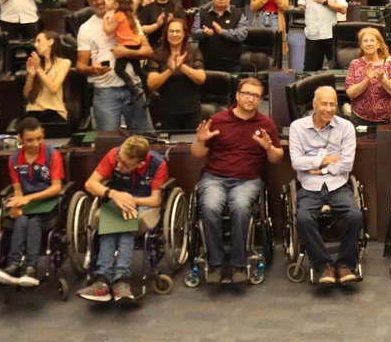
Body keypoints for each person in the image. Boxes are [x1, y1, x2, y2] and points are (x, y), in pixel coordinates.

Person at [192, 77, 282, 284]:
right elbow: (196, 154)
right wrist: (200, 140)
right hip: (215, 177)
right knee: (209, 206)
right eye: (247, 94)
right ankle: (215, 264)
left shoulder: (266, 124)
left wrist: (269, 148)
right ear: (237, 96)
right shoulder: (218, 120)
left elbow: (277, 158)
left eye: (256, 96)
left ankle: (238, 264)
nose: (251, 99)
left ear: (260, 100)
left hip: (247, 180)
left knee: (241, 207)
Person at [76, 135, 166, 302]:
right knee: (109, 226)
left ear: (140, 164)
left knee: (126, 226)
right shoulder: (114, 154)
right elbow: (90, 184)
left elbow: (156, 200)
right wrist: (113, 194)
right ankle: (105, 280)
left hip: (144, 201)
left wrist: (130, 200)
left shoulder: (157, 164)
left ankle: (119, 278)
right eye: (119, 160)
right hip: (116, 198)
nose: (119, 165)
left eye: (125, 165)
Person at [288, 86, 361, 285]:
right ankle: (324, 266)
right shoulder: (297, 127)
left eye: (332, 104)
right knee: (303, 219)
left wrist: (321, 169)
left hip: (338, 185)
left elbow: (346, 163)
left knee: (355, 216)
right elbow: (297, 162)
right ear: (314, 105)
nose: (328, 109)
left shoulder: (345, 127)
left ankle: (345, 264)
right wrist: (329, 160)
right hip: (309, 187)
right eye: (324, 104)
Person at [0, 118, 63, 289]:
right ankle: (13, 265)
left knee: (34, 221)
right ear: (21, 139)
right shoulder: (14, 159)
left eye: (39, 138)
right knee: (21, 220)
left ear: (43, 135)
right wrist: (17, 205)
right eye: (30, 140)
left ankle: (30, 267)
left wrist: (29, 199)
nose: (35, 143)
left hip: (48, 202)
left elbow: (56, 188)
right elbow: (17, 189)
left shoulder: (53, 155)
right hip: (26, 202)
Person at [76, 0, 153, 133]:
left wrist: (126, 52)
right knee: (108, 143)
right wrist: (92, 69)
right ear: (88, 2)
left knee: (145, 139)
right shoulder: (85, 28)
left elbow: (148, 51)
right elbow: (80, 65)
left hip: (134, 88)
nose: (99, 2)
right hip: (105, 92)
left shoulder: (130, 18)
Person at [146, 17, 207, 132]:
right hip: (166, 112)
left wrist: (181, 66)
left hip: (191, 111)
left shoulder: (193, 52)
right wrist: (170, 70)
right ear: (166, 34)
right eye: (171, 31)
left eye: (178, 31)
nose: (174, 34)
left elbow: (201, 78)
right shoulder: (157, 54)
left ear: (184, 34)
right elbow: (152, 84)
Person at [296, 0, 347, 72]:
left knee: (335, 71)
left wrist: (325, 1)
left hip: (330, 35)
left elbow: (343, 9)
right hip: (312, 36)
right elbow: (301, 7)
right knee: (310, 73)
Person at [345, 27, 391, 128]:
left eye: (372, 40)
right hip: (361, 119)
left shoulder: (388, 61)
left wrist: (382, 79)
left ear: (378, 44)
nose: (369, 44)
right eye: (365, 41)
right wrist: (367, 79)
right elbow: (350, 93)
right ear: (361, 45)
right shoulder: (355, 64)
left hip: (388, 120)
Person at [193, 0, 249, 74]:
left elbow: (242, 34)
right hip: (206, 63)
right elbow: (194, 33)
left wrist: (222, 32)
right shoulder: (202, 13)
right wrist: (204, 33)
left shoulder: (238, 14)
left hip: (232, 64)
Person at [102, 0, 146, 104]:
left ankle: (134, 89)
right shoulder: (127, 14)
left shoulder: (118, 15)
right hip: (135, 44)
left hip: (127, 45)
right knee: (138, 69)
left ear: (116, 4)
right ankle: (150, 91)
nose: (104, 1)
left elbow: (108, 31)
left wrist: (104, 20)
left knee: (119, 69)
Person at [23, 31, 70, 126]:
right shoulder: (36, 64)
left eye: (39, 41)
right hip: (33, 112)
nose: (36, 45)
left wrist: (39, 70)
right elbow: (26, 94)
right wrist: (31, 76)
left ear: (50, 42)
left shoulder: (63, 63)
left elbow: (53, 89)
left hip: (54, 112)